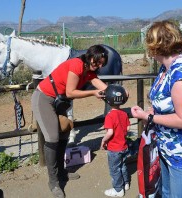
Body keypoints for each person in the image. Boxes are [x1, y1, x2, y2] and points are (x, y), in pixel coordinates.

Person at [131, 20, 182, 198]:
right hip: (168, 145)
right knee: (166, 192)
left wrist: (148, 117)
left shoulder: (180, 73)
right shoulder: (166, 68)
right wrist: (152, 112)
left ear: (155, 45)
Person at [31, 45, 108, 198]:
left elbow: (105, 88)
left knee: (64, 134)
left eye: (101, 64)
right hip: (44, 98)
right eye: (97, 61)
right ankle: (53, 182)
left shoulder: (89, 73)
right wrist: (93, 92)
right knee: (52, 138)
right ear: (90, 55)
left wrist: (119, 93)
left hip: (59, 102)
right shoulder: (77, 65)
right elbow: (70, 92)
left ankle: (62, 173)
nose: (98, 65)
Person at [100, 84, 130, 197]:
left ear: (107, 100)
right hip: (123, 146)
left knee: (114, 169)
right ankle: (126, 183)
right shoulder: (124, 113)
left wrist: (103, 140)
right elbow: (127, 128)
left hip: (114, 148)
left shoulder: (110, 116)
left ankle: (118, 190)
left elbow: (110, 132)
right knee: (123, 165)